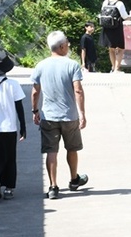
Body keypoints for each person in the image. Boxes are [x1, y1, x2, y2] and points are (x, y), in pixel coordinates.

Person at [30, 31, 89, 200]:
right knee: (72, 148)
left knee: (51, 151)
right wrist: (82, 113)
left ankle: (53, 186)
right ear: (62, 46)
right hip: (69, 116)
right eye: (67, 44)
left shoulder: (41, 65)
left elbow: (35, 92)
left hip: (48, 116)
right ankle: (73, 179)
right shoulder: (72, 65)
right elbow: (78, 90)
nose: (68, 46)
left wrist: (35, 111)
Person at [0, 50, 27, 201]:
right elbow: (19, 107)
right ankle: (8, 188)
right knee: (9, 158)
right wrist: (23, 127)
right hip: (9, 127)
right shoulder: (13, 84)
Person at [100, 0, 131, 72]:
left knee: (111, 48)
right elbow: (125, 16)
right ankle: (117, 69)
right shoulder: (119, 3)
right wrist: (130, 16)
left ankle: (113, 67)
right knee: (121, 48)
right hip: (116, 28)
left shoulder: (105, 2)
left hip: (107, 28)